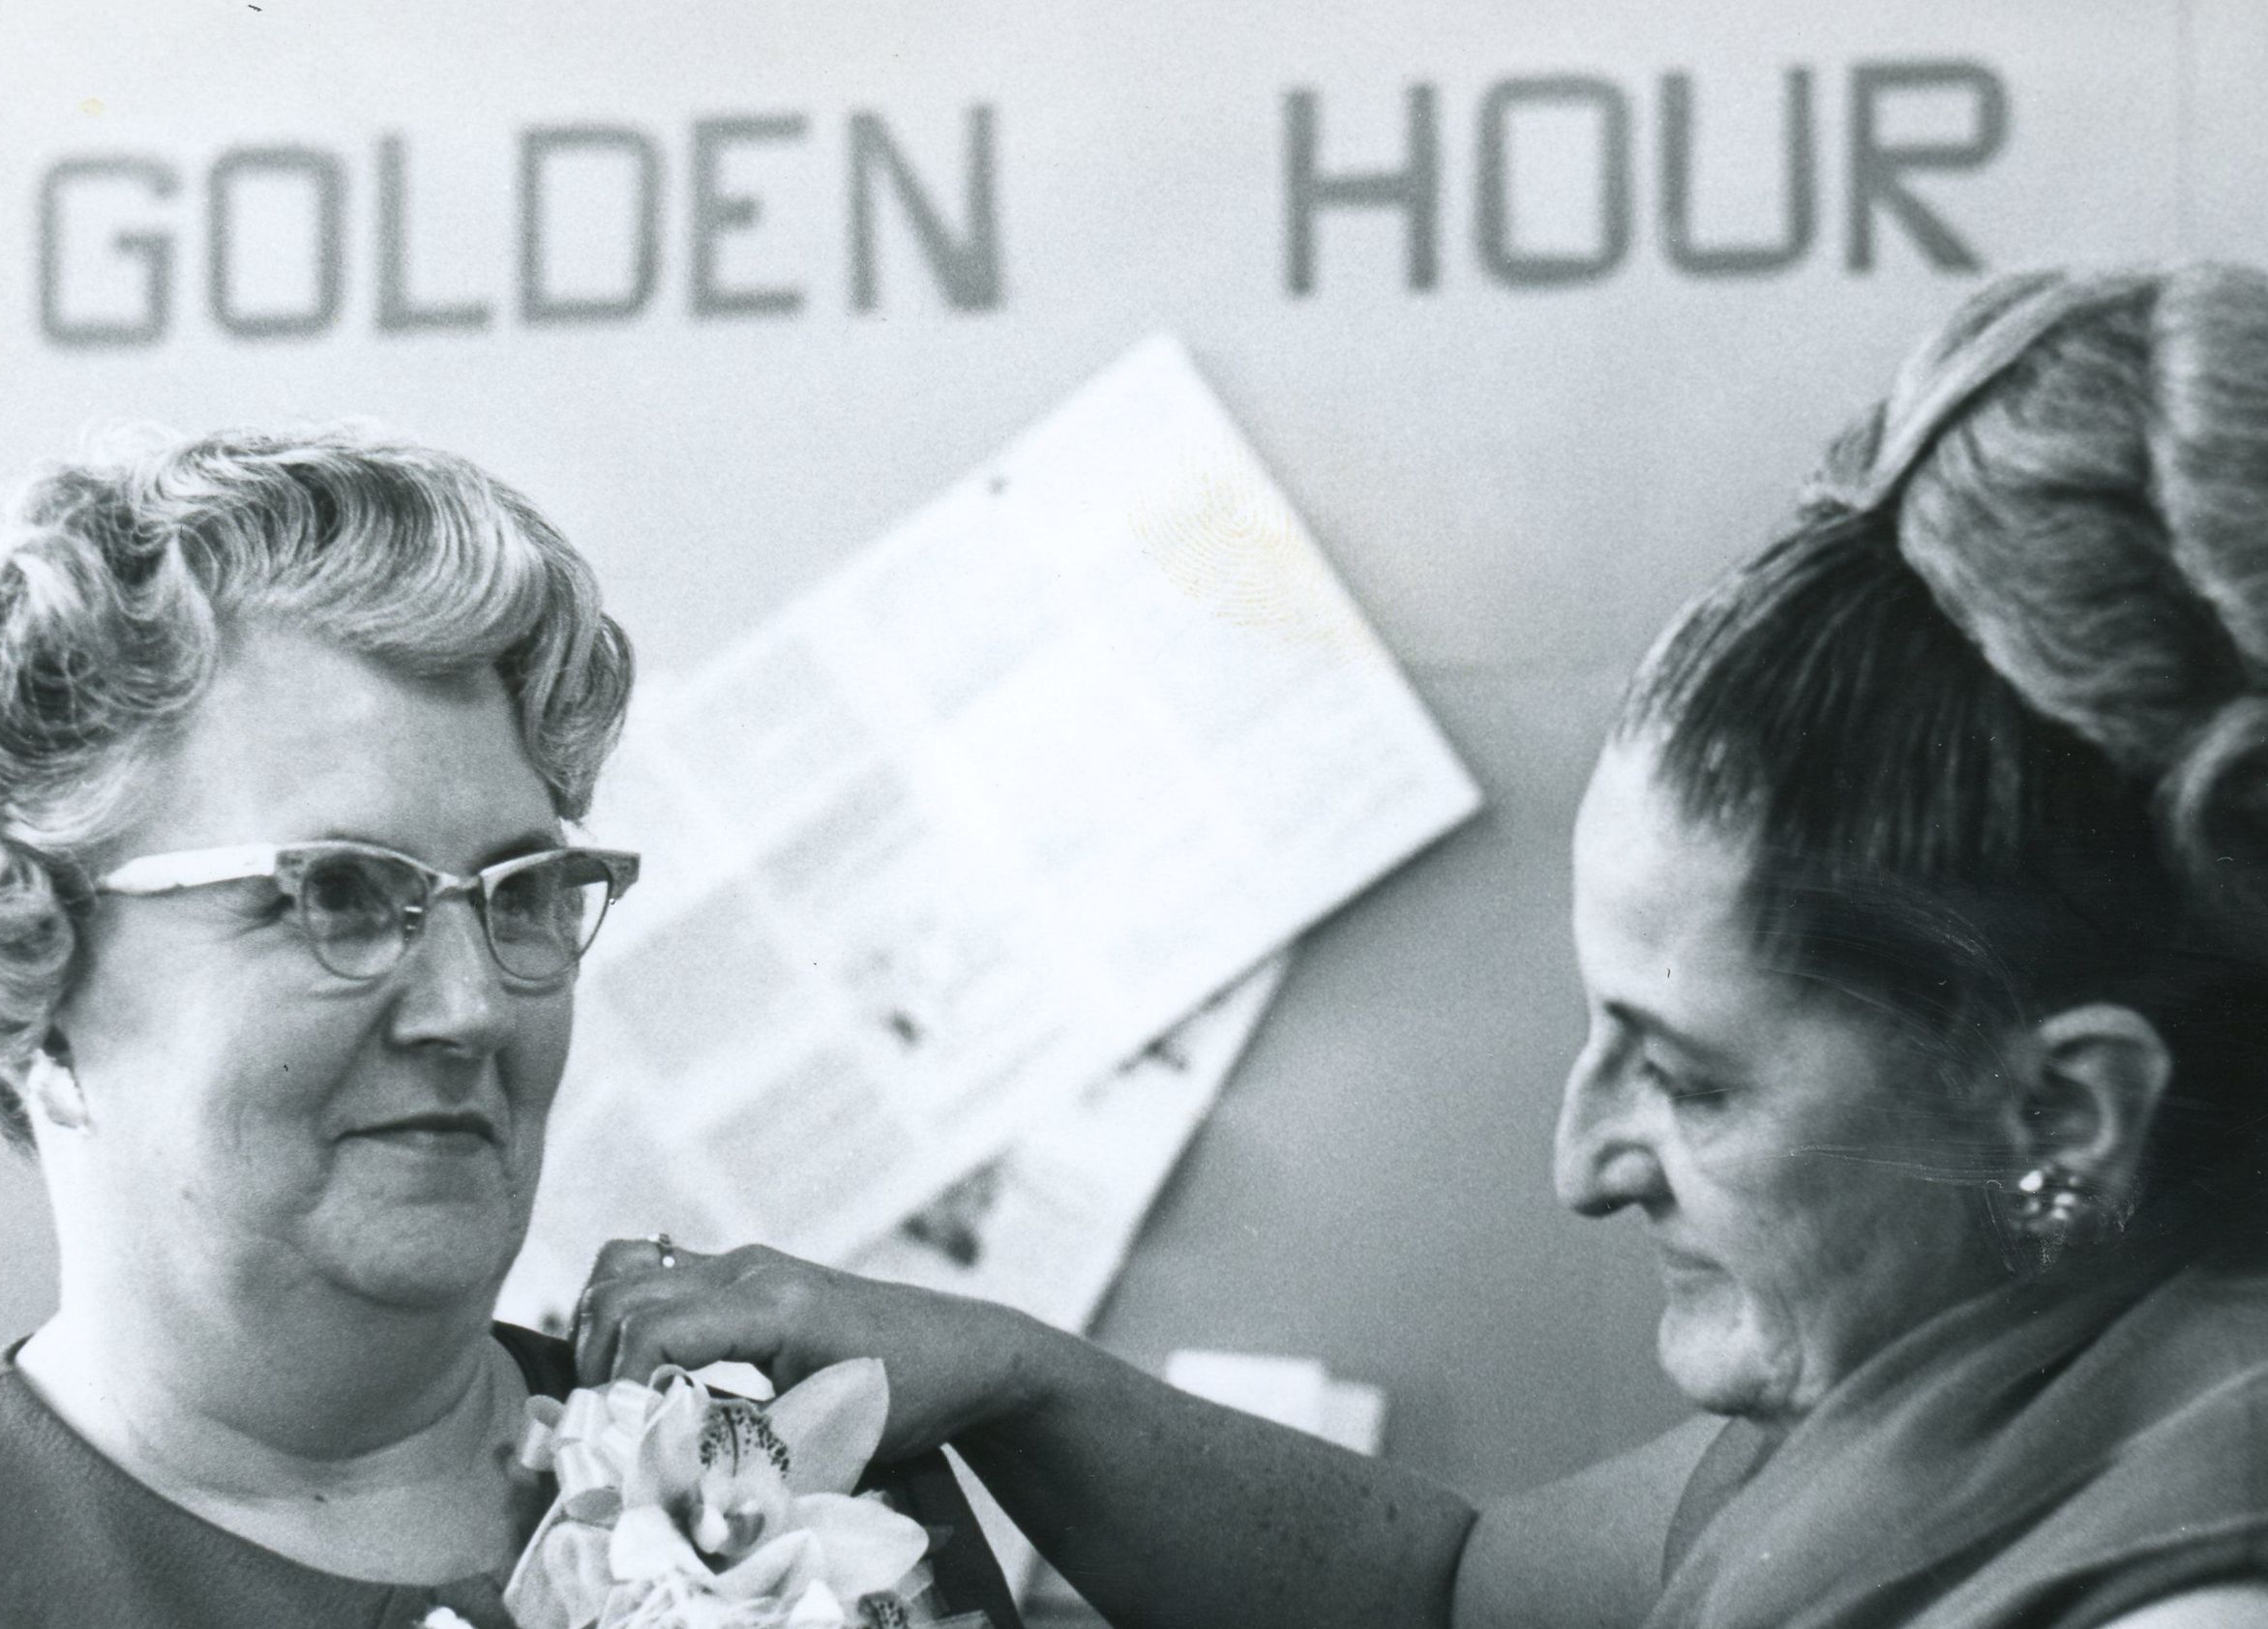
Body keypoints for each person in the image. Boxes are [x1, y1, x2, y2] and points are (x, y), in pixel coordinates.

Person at [570, 265, 2268, 1629]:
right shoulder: (1976, 1385)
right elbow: (1451, 1592)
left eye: (1690, 1080)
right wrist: (1023, 1378)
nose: (1582, 1163)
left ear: (2064, 1109)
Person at [0, 431, 1021, 1628]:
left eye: (522, 895)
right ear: (31, 970)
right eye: (337, 894)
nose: (474, 1007)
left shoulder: (791, 1485)